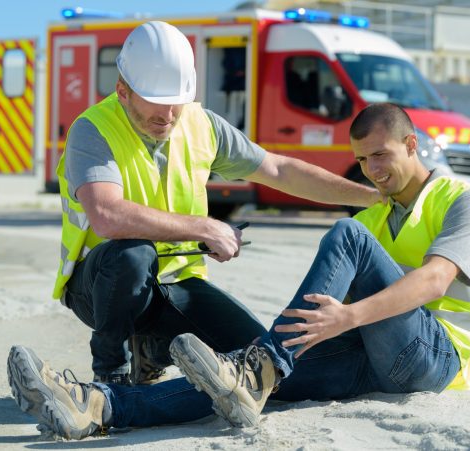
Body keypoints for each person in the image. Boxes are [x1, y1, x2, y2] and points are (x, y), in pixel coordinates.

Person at [7, 103, 470, 439]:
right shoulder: (373, 213)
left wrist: (346, 318)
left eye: (381, 155)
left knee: (342, 240)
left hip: (435, 359)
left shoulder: (463, 200)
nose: (371, 169)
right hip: (370, 357)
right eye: (362, 159)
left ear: (412, 144)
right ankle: (96, 405)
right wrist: (320, 333)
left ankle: (261, 366)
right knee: (238, 381)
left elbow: (435, 279)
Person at [54, 21, 380, 385]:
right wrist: (205, 227)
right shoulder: (93, 129)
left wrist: (371, 196)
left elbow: (278, 169)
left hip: (175, 282)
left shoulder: (201, 125)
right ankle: (110, 377)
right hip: (101, 286)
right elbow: (107, 216)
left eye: (176, 103)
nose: (168, 116)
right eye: (156, 105)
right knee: (133, 254)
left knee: (253, 355)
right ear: (123, 91)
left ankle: (153, 349)